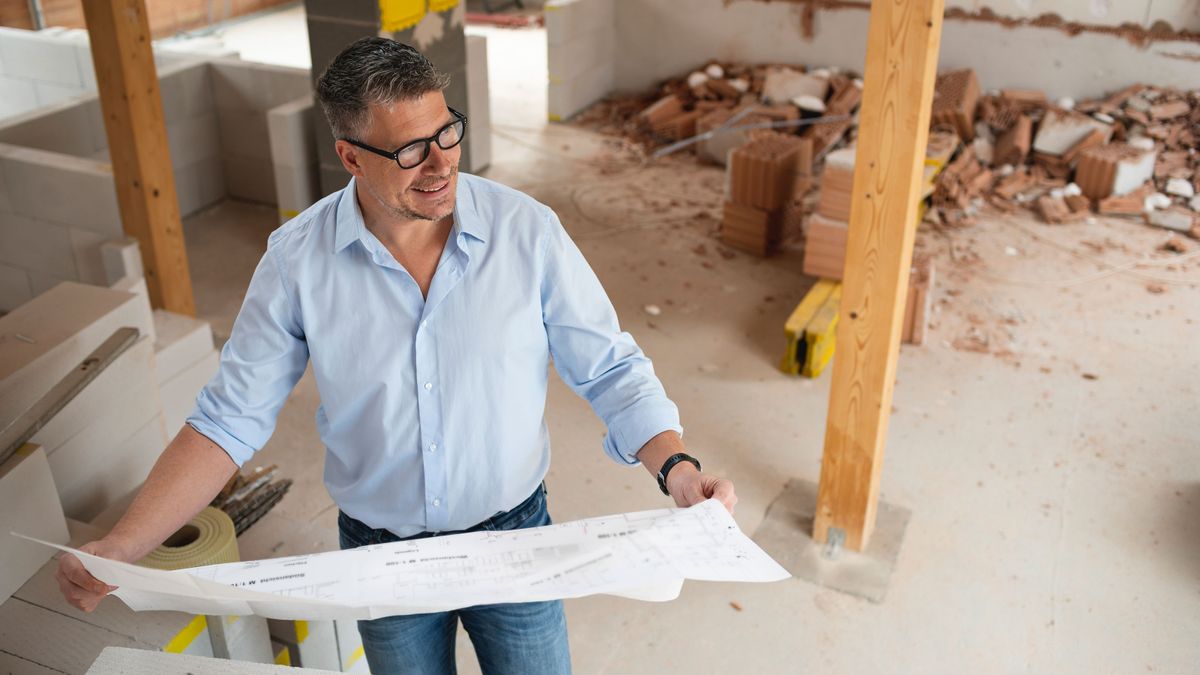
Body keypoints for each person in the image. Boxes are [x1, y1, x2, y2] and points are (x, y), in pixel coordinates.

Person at [56, 37, 736, 674]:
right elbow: (227, 423)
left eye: (447, 133)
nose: (443, 165)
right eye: (411, 150)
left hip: (516, 536)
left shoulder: (527, 233)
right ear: (350, 157)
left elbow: (611, 367)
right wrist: (124, 546)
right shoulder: (297, 263)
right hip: (381, 555)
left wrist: (675, 466)